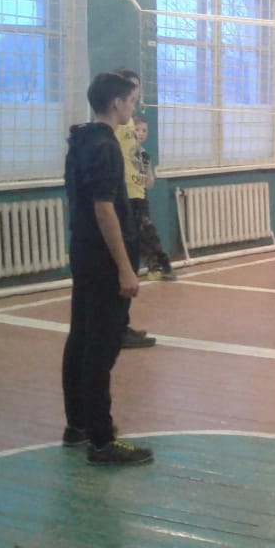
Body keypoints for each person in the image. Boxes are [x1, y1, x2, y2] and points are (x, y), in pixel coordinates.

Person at [61, 72, 154, 466]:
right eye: (131, 101)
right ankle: (101, 440)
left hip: (84, 254)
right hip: (102, 261)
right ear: (116, 103)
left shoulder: (81, 139)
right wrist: (125, 269)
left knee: (81, 338)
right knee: (101, 346)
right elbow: (104, 210)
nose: (133, 108)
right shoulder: (105, 146)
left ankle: (78, 425)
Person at [114, 69, 158, 349]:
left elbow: (137, 160)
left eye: (136, 88)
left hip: (137, 197)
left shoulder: (130, 124)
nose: (135, 93)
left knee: (132, 263)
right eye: (130, 88)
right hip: (124, 200)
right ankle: (116, 330)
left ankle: (122, 324)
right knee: (124, 266)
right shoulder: (116, 126)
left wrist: (146, 174)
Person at [131, 116, 175, 280]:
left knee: (147, 231)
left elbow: (149, 182)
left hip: (140, 198)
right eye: (137, 129)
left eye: (144, 130)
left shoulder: (143, 155)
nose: (141, 133)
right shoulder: (122, 152)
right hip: (126, 199)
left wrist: (143, 176)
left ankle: (161, 264)